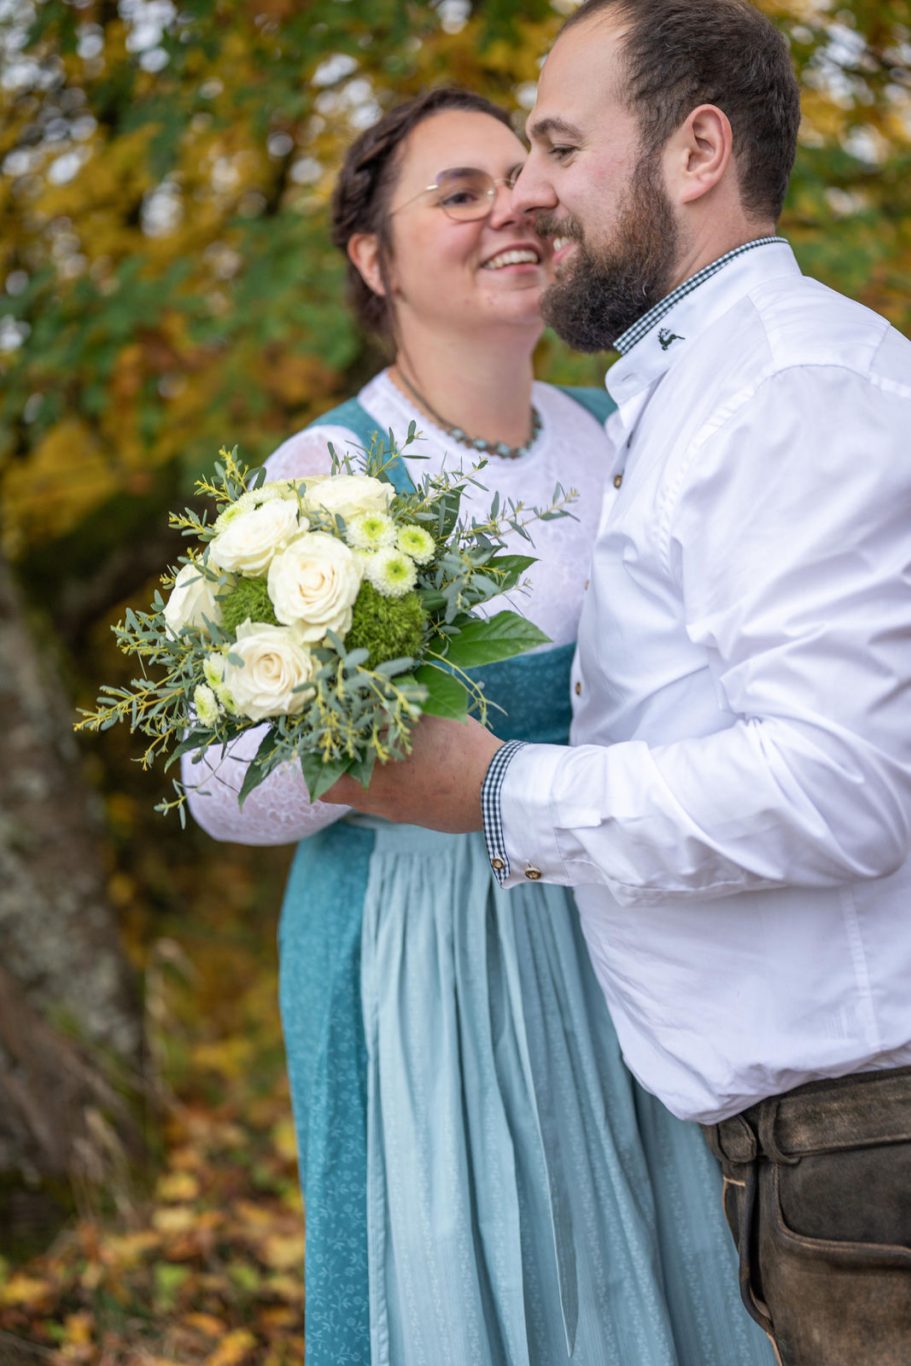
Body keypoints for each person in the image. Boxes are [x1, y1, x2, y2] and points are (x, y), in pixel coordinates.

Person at [325, 8, 911, 1365]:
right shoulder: (695, 383)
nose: (527, 194)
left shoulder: (783, 392)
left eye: (556, 147)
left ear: (696, 147)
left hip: (860, 1151)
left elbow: (840, 785)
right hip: (810, 1155)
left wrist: (499, 790)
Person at [184, 88, 776, 1366]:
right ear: (372, 257)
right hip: (416, 955)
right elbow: (220, 793)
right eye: (459, 192)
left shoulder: (622, 430)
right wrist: (352, 719)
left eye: (526, 177)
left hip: (635, 924)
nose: (512, 205)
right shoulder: (320, 479)